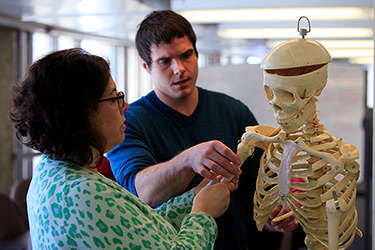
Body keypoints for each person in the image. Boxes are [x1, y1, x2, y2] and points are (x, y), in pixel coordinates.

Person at [8, 48, 239, 249]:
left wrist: (194, 198)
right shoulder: (85, 193)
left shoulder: (51, 170)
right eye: (114, 98)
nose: (125, 106)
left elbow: (137, 229)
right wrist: (203, 214)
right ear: (82, 113)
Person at [107, 10, 298, 250]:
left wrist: (273, 218)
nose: (179, 69)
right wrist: (188, 160)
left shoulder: (233, 111)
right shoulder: (129, 121)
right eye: (165, 61)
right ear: (146, 66)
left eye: (186, 55)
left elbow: (256, 193)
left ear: (197, 54)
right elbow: (140, 194)